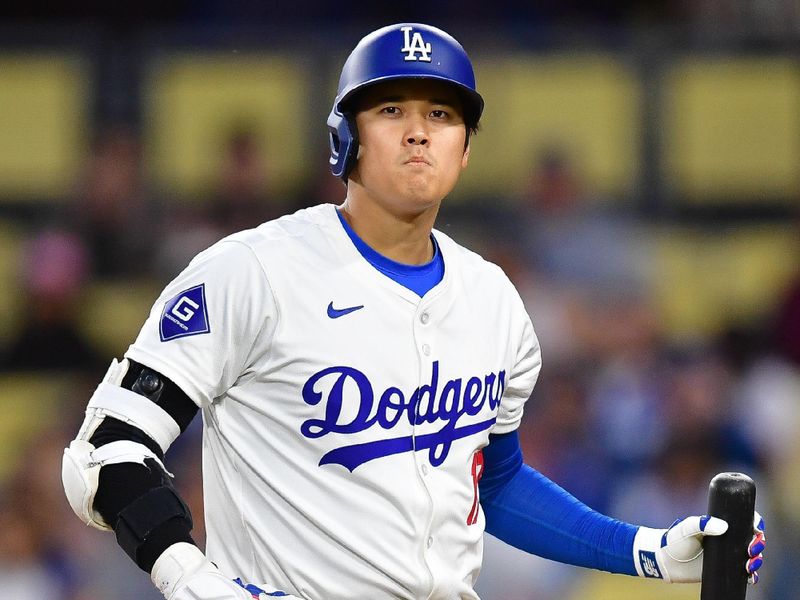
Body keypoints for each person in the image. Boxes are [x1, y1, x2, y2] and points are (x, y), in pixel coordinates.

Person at [61, 23, 765, 600]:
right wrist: (189, 577)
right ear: (346, 139)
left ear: (464, 150)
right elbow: (104, 454)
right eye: (391, 109)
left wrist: (644, 550)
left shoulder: (492, 299)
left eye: (442, 113)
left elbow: (496, 481)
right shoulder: (253, 272)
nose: (419, 132)